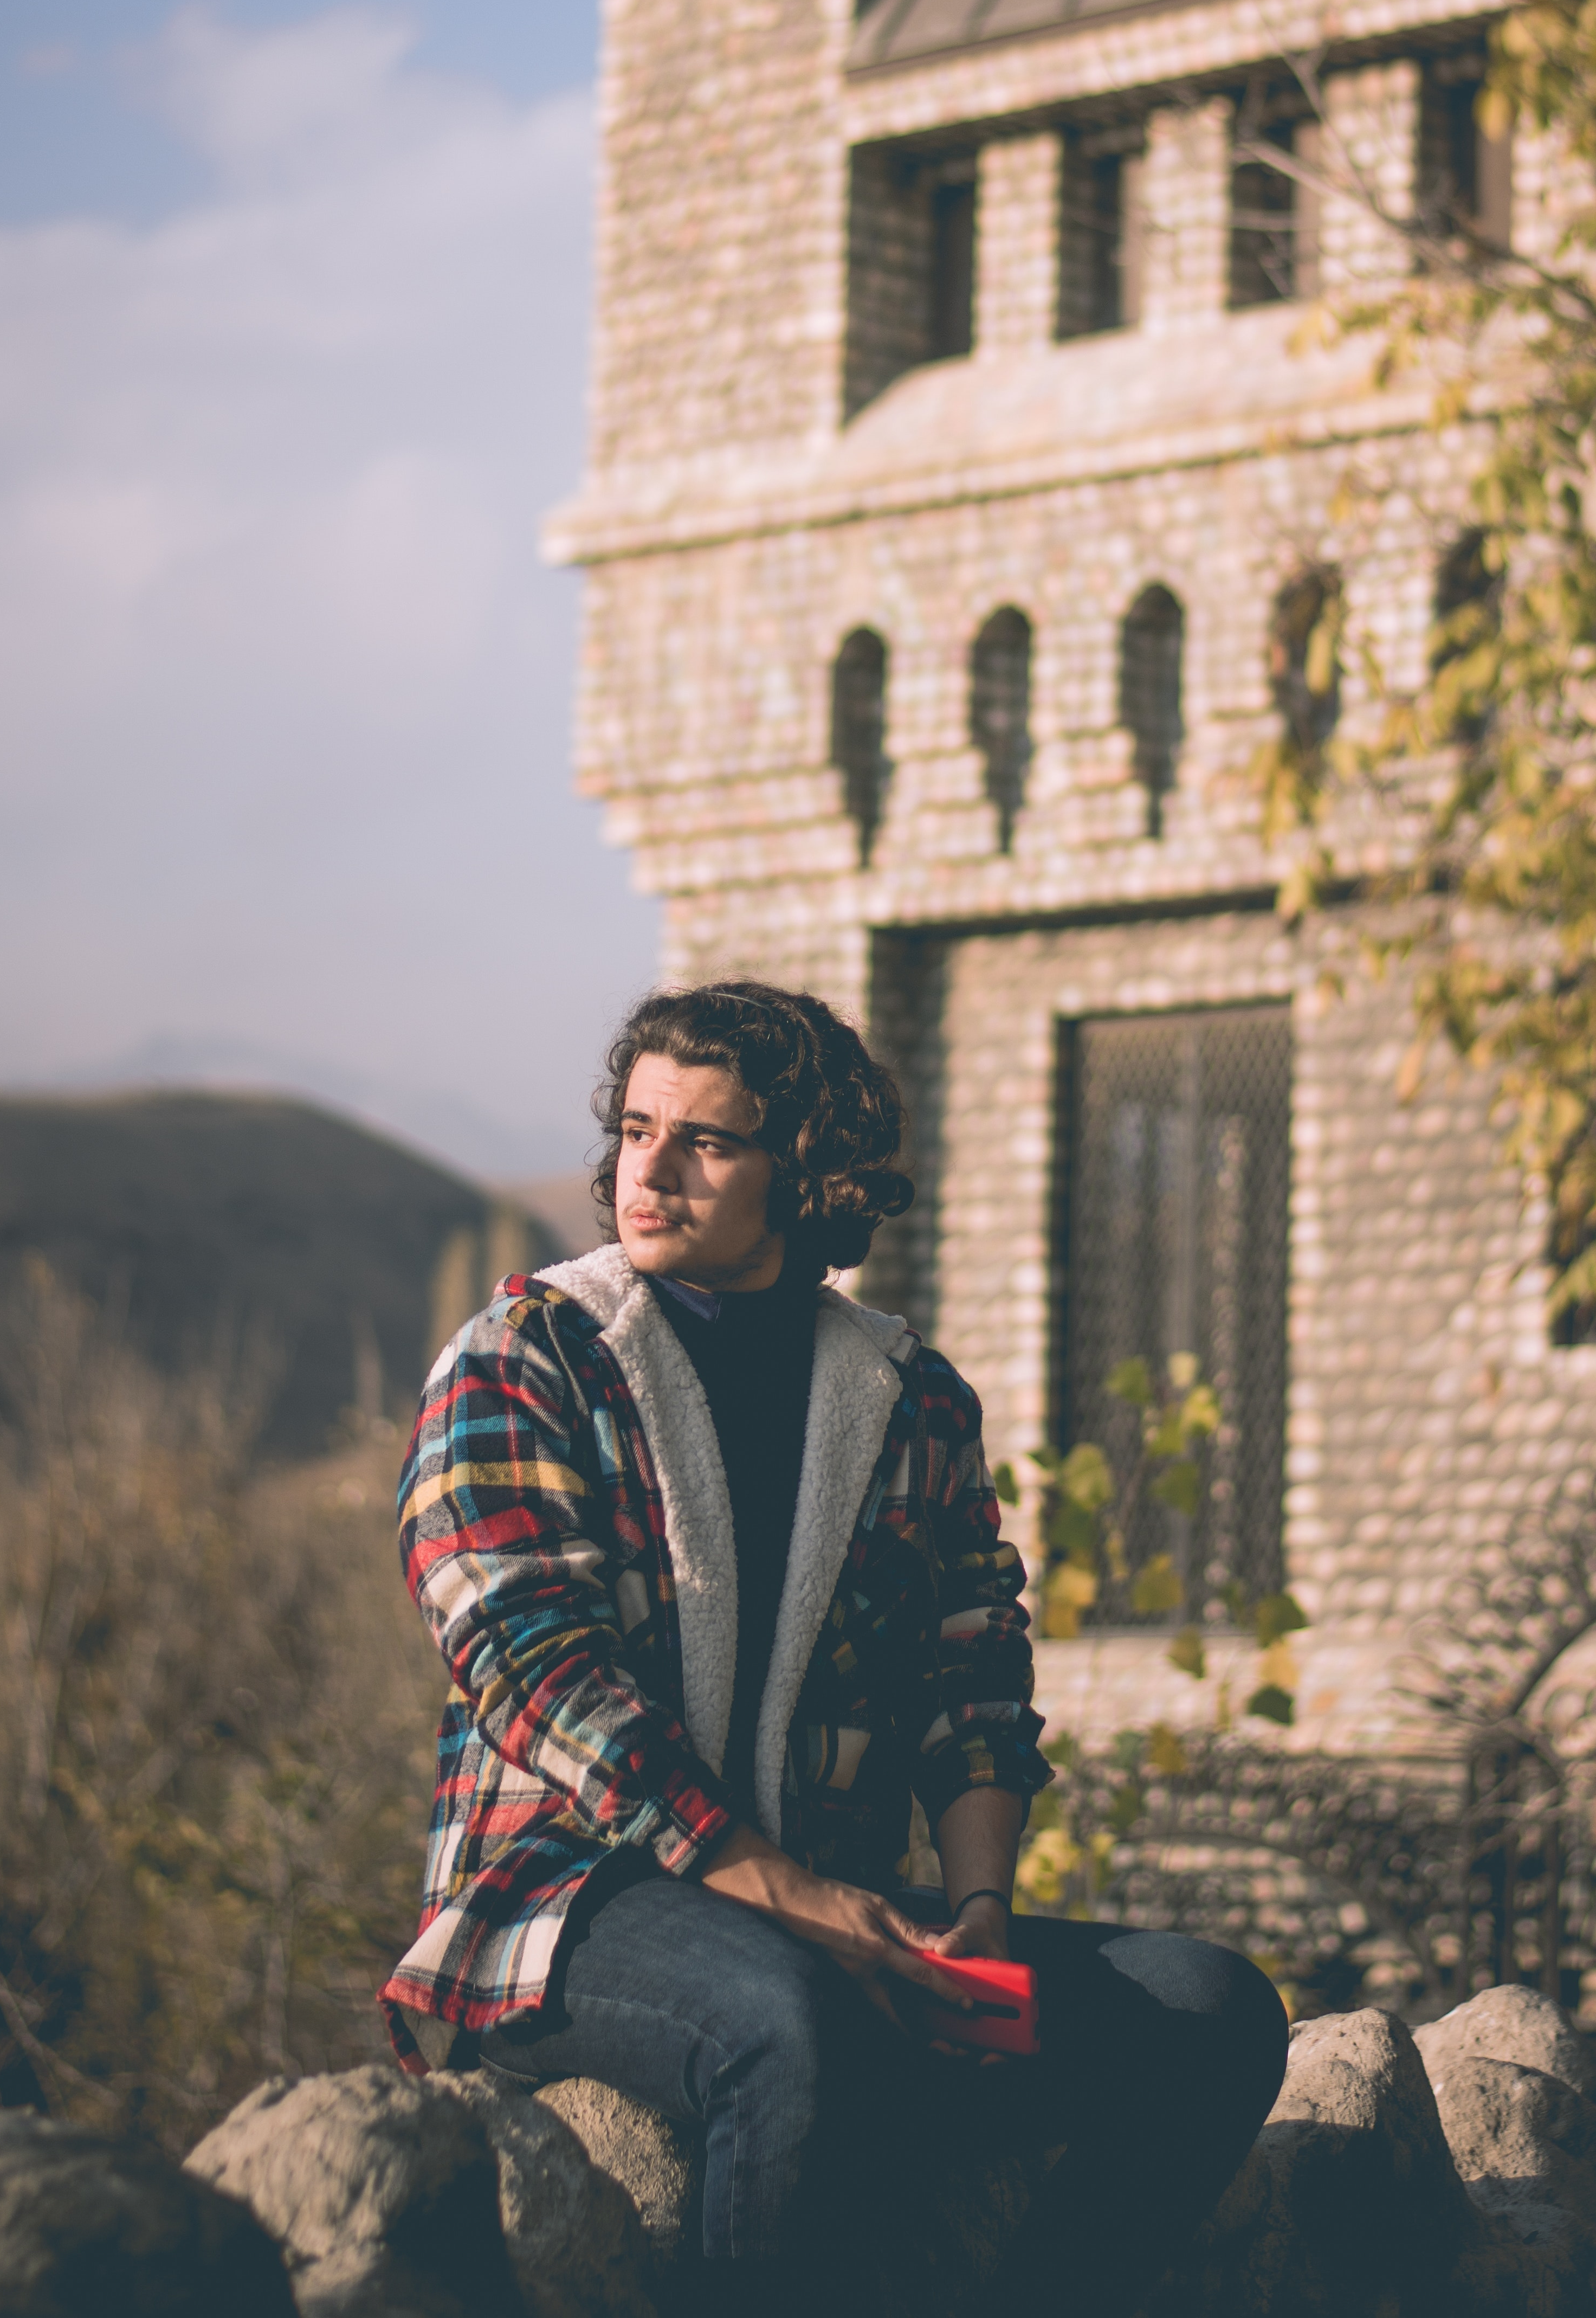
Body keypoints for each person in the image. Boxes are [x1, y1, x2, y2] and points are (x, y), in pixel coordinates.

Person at [385, 977, 1287, 2315]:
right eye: (636, 1130)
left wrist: (977, 1908)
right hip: (570, 1907)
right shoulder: (524, 1356)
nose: (652, 1170)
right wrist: (793, 1900)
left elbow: (972, 1668)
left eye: (706, 1139)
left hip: (832, 1920)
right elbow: (532, 1664)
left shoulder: (906, 1396)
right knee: (783, 2030)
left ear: (802, 1174)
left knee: (1208, 2012)